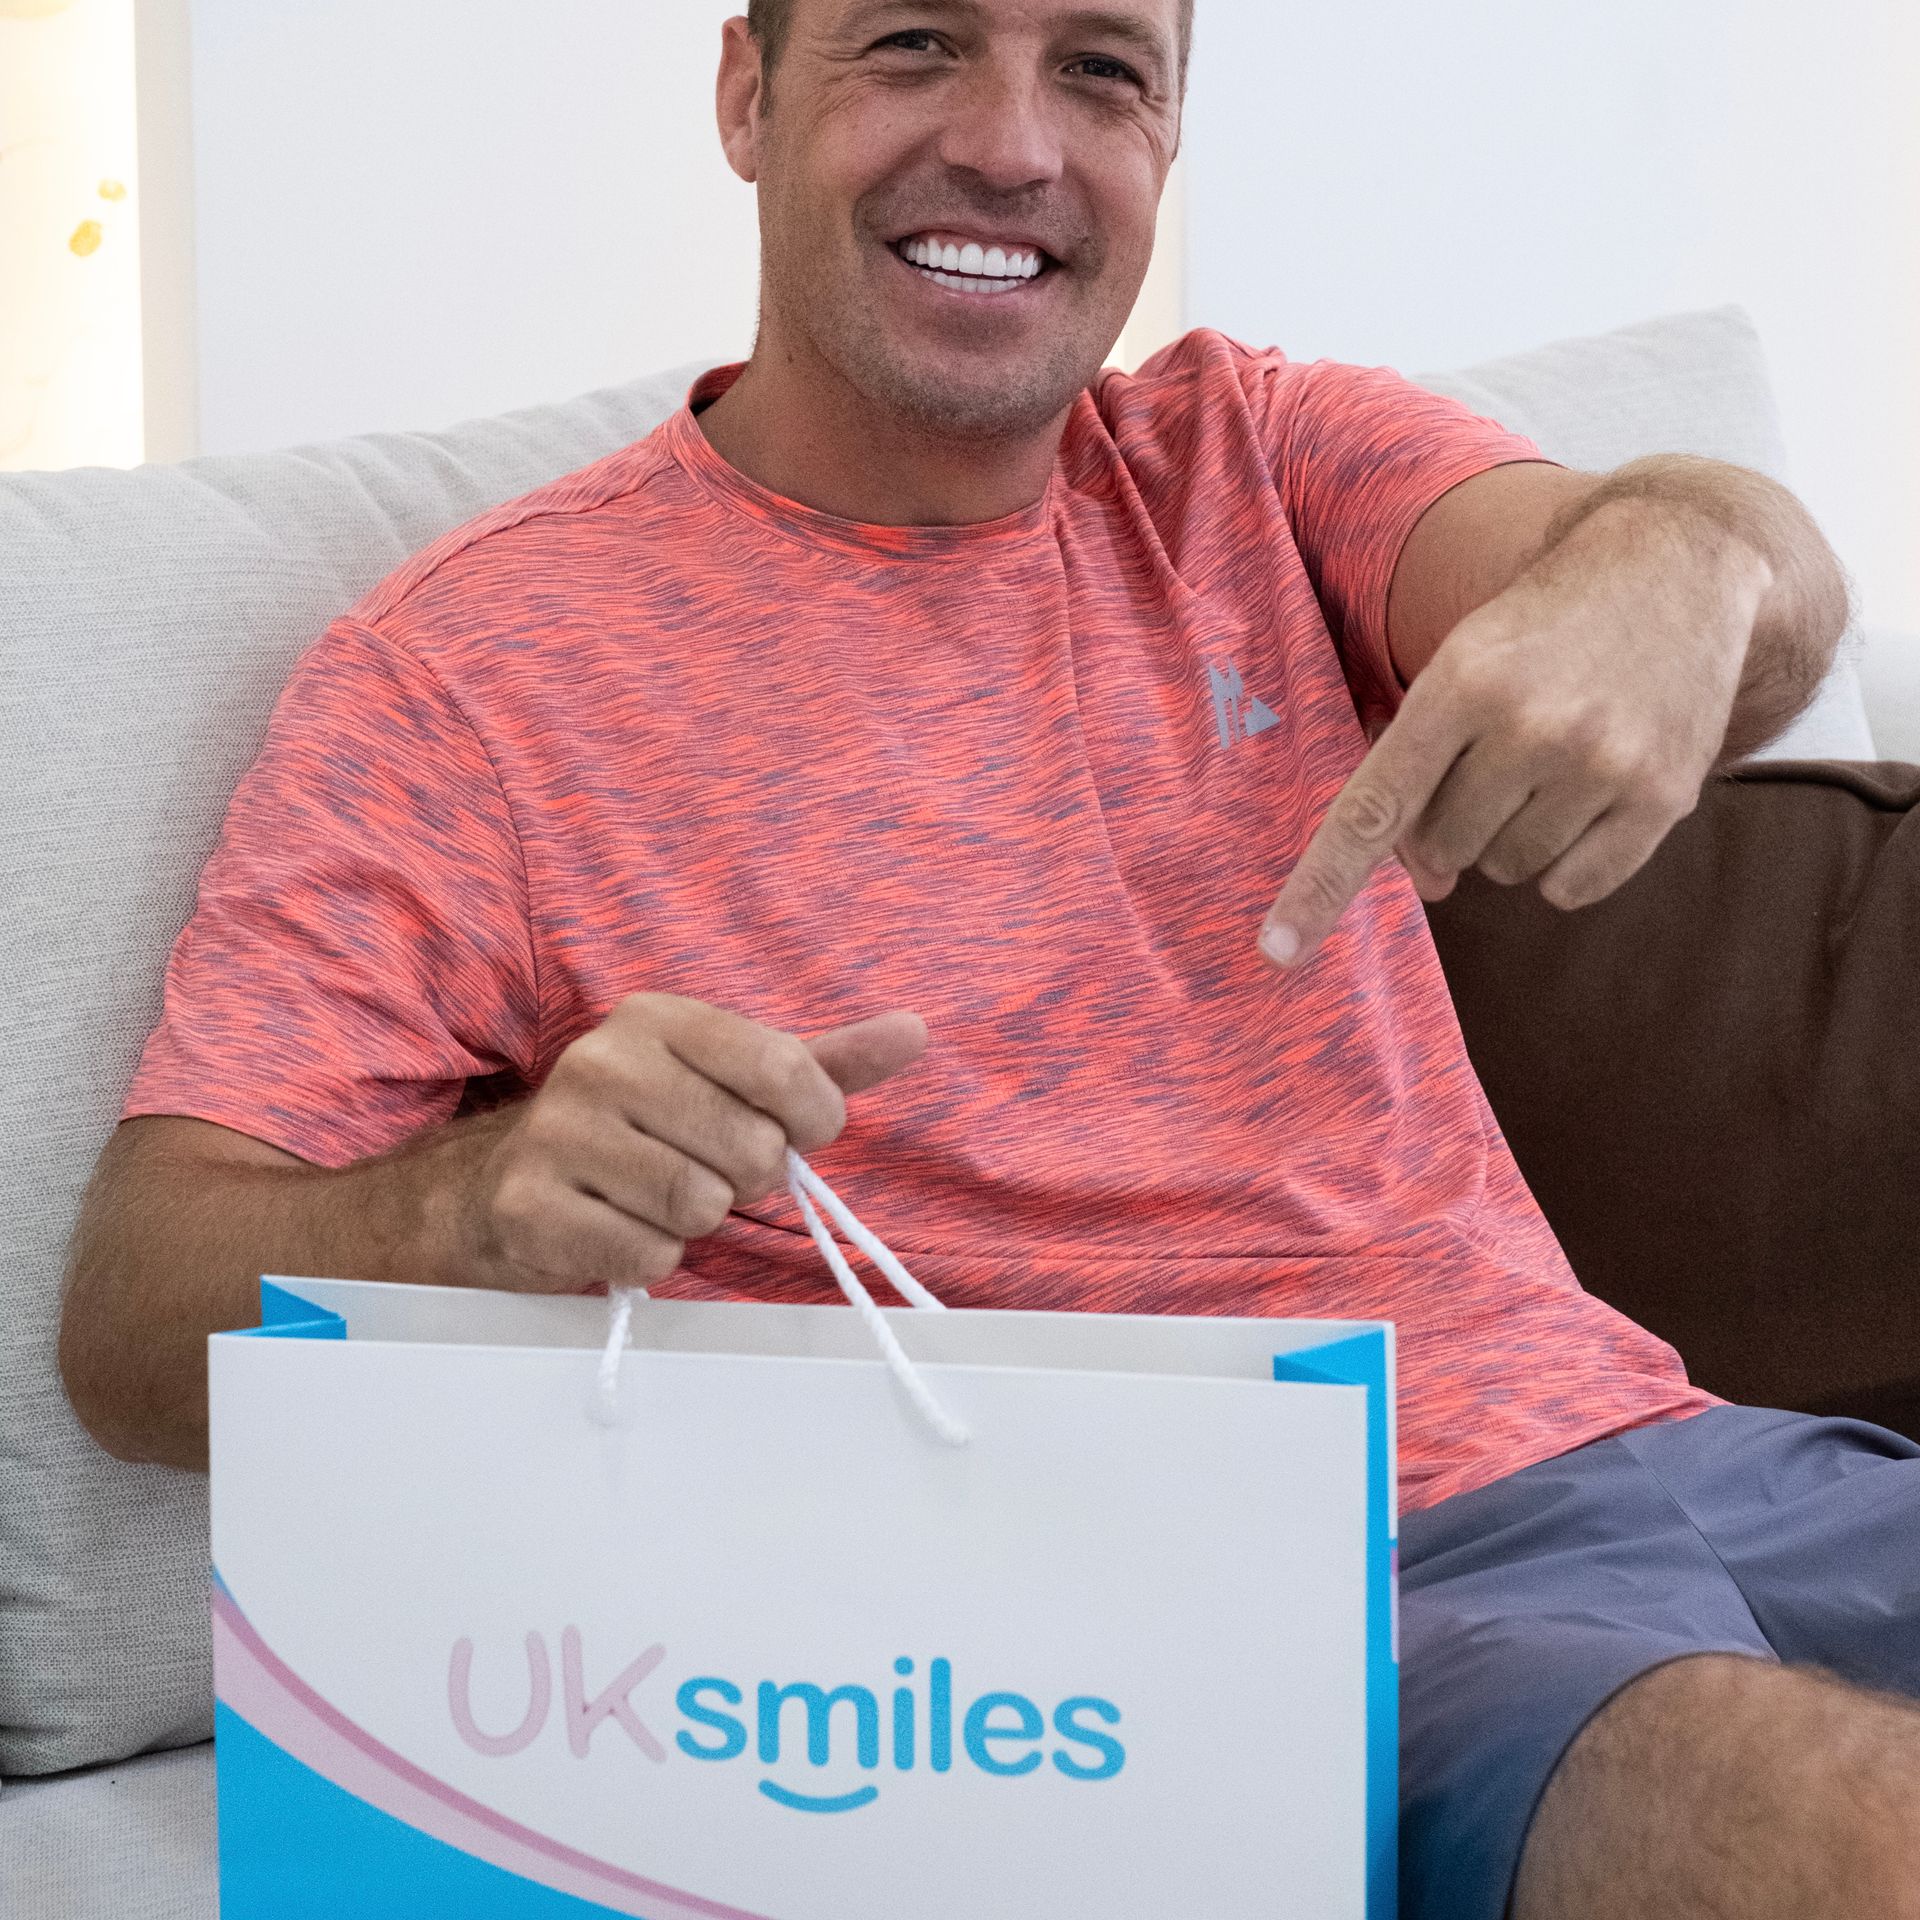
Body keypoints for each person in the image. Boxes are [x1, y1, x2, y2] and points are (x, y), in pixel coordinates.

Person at [58, 2, 1918, 1915]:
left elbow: (1691, 558)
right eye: (919, 44)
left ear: (1171, 137)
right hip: (1189, 1612)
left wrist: (1688, 564)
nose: (1017, 146)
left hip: (1663, 1451)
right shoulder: (464, 677)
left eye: (1102, 68)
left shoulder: (1260, 460)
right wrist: (472, 1205)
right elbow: (128, 1320)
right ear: (745, 96)